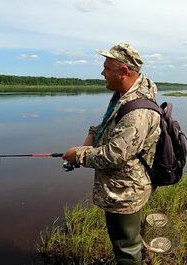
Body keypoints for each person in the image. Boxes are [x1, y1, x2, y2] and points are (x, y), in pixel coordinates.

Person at [63, 43, 161, 265]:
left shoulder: (137, 112)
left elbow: (113, 156)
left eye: (107, 68)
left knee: (125, 247)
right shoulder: (124, 94)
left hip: (125, 191)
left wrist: (77, 155)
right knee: (131, 239)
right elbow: (108, 124)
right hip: (125, 185)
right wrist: (91, 136)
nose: (102, 73)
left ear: (123, 72)